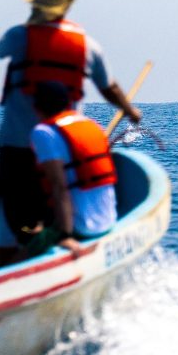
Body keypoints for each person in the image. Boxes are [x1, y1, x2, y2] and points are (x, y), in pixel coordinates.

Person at [0, 0, 140, 259]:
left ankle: (12, 257)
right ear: (65, 7)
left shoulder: (19, 36)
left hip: (18, 143)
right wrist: (130, 111)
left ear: (35, 5)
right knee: (55, 197)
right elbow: (108, 86)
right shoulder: (87, 44)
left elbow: (0, 52)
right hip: (64, 141)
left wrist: (31, 24)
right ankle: (55, 246)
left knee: (14, 209)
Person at [26, 81, 119, 258]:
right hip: (108, 219)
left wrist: (65, 236)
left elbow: (58, 187)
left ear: (37, 107)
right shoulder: (91, 124)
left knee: (22, 252)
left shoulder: (43, 132)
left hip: (81, 226)